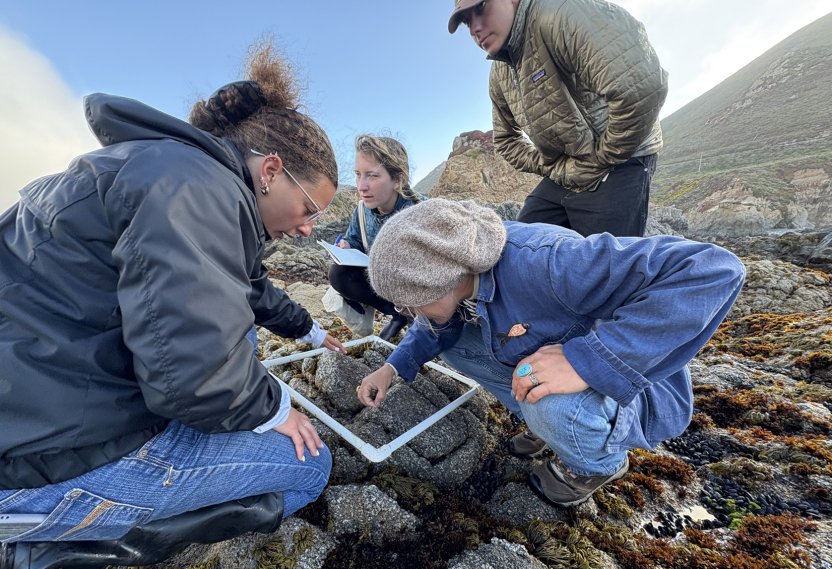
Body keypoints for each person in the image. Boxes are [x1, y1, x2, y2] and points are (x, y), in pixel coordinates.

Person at [0, 43, 342, 543]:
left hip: (43, 393)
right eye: (309, 208)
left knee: (241, 338)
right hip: (40, 460)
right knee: (310, 467)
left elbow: (246, 287)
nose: (308, 228)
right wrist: (275, 408)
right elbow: (193, 379)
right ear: (270, 172)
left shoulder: (179, 168)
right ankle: (56, 548)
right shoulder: (196, 189)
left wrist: (309, 330)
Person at [357, 199, 745, 507]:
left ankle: (596, 463)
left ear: (441, 278)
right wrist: (392, 367)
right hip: (553, 357)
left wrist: (587, 361)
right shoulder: (465, 272)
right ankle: (546, 426)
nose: (406, 313)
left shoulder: (549, 262)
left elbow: (713, 269)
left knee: (551, 406)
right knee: (453, 344)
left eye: (408, 302)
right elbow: (432, 327)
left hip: (639, 391)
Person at [448, 0, 669, 237]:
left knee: (604, 258)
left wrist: (603, 156)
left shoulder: (558, 13)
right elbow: (506, 140)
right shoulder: (500, 72)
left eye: (481, 7)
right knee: (520, 243)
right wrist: (553, 167)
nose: (474, 29)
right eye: (467, 21)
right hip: (568, 169)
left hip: (621, 159)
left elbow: (640, 89)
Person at [328, 134, 423, 341]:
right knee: (338, 273)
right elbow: (355, 239)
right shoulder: (362, 210)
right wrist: (347, 246)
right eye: (358, 175)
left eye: (372, 176)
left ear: (398, 180)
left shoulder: (422, 211)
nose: (361, 186)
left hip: (418, 287)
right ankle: (399, 314)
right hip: (382, 282)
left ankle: (421, 318)